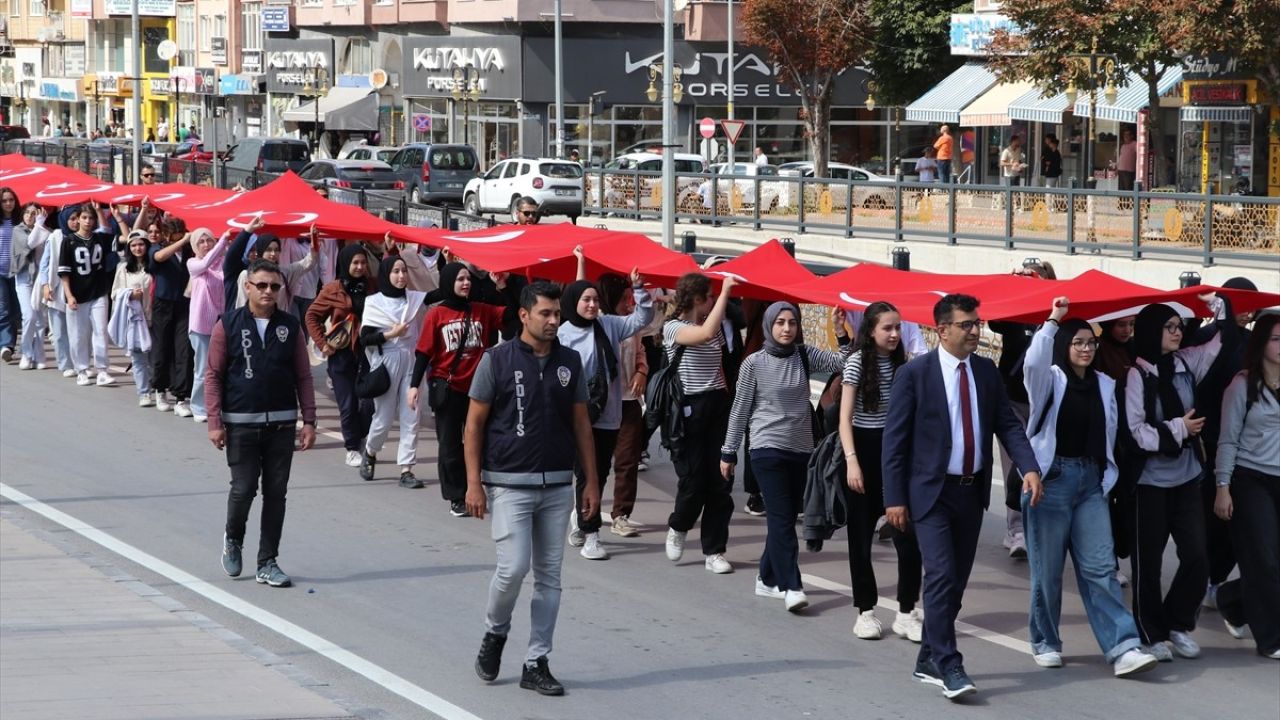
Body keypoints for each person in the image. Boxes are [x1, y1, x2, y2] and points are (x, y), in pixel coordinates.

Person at [881, 293, 1041, 700]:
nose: (975, 330)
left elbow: (1007, 425)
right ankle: (950, 664)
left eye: (977, 323)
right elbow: (894, 443)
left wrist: (1030, 467)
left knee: (956, 583)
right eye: (966, 324)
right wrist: (894, 498)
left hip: (971, 494)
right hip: (930, 495)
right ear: (942, 330)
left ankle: (928, 659)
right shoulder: (915, 375)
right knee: (939, 575)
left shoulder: (986, 373)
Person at [466, 281, 600, 697]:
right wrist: (474, 483)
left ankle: (536, 661)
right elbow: (473, 425)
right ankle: (495, 632)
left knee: (550, 578)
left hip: (558, 485)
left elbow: (581, 424)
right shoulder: (497, 361)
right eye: (545, 313)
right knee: (513, 568)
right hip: (508, 483)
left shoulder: (570, 362)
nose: (554, 321)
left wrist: (591, 481)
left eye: (557, 314)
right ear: (524, 315)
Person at [1021, 297, 1159, 677]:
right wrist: (1053, 319)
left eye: (1090, 343)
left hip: (1089, 482)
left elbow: (1111, 432)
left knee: (1102, 569)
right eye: (1078, 342)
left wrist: (1105, 476)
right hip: (1050, 482)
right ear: (1064, 346)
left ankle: (1123, 646)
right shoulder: (1049, 379)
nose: (1085, 349)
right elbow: (1033, 361)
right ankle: (1045, 641)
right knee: (1047, 571)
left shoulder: (1103, 383)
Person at [721, 302, 850, 611]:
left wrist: (840, 331)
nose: (787, 328)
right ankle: (791, 585)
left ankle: (766, 579)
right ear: (769, 325)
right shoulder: (754, 362)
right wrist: (729, 451)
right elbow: (739, 409)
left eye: (792, 322)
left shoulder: (804, 354)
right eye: (780, 322)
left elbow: (844, 361)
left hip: (801, 450)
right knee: (781, 520)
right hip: (766, 449)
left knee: (785, 518)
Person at [206, 259, 317, 588]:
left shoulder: (290, 326)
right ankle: (233, 538)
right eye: (262, 285)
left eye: (274, 286)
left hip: (282, 425)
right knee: (243, 489)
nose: (269, 292)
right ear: (248, 287)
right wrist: (215, 420)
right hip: (240, 423)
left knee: (276, 493)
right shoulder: (227, 325)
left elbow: (303, 376)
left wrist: (308, 419)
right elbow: (212, 376)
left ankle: (268, 561)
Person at [1125, 301, 1226, 661]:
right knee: (1148, 564)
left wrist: (1221, 309)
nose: (1177, 332)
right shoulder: (1137, 374)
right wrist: (1179, 428)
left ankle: (1177, 622)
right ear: (1152, 330)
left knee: (1198, 556)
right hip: (1150, 482)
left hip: (1185, 476)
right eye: (1168, 326)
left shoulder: (1184, 363)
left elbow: (1216, 344)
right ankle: (1150, 632)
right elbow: (1136, 431)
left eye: (1179, 325)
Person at [838, 302, 923, 641]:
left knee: (908, 538)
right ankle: (866, 611)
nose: (894, 334)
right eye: (887, 327)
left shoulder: (905, 366)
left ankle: (905, 611)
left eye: (898, 328)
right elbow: (844, 418)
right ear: (870, 330)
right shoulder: (857, 362)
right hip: (864, 449)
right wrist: (852, 460)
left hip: (897, 454)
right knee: (860, 538)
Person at [560, 261, 653, 560]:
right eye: (585, 300)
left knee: (598, 471)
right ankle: (591, 533)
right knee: (587, 474)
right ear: (574, 303)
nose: (591, 304)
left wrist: (639, 289)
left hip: (608, 415)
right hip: (577, 417)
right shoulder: (562, 335)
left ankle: (581, 516)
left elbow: (643, 318)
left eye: (595, 300)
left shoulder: (609, 325)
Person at [410, 261, 512, 516]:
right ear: (448, 283)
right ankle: (456, 495)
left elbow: (512, 318)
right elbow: (423, 353)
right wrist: (414, 385)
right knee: (450, 444)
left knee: (482, 439)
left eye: (468, 279)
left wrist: (503, 287)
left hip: (479, 390)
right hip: (448, 386)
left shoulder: (482, 310)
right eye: (460, 280)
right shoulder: (436, 314)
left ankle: (481, 486)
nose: (466, 283)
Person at [1213, 312, 1280, 660]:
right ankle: (1270, 638)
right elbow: (1228, 440)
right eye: (1277, 339)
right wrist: (1222, 485)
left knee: (1271, 564)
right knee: (1264, 559)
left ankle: (1231, 599)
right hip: (1250, 478)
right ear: (1262, 343)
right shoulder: (1242, 385)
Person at [663, 273, 739, 575]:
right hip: (689, 410)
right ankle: (678, 526)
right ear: (698, 299)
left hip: (718, 404)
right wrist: (725, 292)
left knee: (721, 481)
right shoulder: (674, 328)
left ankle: (715, 550)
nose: (713, 301)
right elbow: (705, 335)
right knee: (693, 481)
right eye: (709, 296)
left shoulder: (713, 323)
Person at [989, 261, 1058, 560]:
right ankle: (1015, 528)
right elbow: (994, 317)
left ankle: (1042, 524)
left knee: (1046, 463)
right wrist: (1011, 283)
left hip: (1045, 402)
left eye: (1037, 279)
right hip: (1012, 399)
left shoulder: (1057, 314)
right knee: (1014, 464)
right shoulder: (1014, 312)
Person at [359, 246, 437, 488]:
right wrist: (391, 334)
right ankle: (371, 452)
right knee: (382, 417)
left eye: (404, 271)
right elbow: (365, 339)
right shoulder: (374, 303)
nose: (401, 276)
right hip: (387, 360)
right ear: (386, 274)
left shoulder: (414, 299)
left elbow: (440, 293)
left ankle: (406, 469)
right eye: (396, 271)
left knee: (411, 415)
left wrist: (448, 261)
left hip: (412, 360)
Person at [306, 244, 378, 468]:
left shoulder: (373, 287)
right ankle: (351, 448)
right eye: (355, 263)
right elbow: (311, 316)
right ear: (346, 263)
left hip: (368, 353)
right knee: (347, 404)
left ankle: (361, 436)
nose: (359, 267)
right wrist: (323, 344)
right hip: (341, 354)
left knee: (369, 403)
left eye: (363, 263)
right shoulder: (332, 289)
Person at [601, 274, 651, 539]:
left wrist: (642, 371)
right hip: (602, 403)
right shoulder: (596, 322)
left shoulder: (632, 324)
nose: (628, 304)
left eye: (630, 299)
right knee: (596, 463)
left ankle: (621, 514)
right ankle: (585, 510)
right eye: (623, 299)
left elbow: (641, 350)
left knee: (627, 461)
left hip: (629, 401)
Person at [58, 203, 118, 387]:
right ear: (77, 220)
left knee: (100, 330)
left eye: (90, 218)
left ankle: (102, 370)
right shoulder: (68, 241)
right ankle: (82, 369)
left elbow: (107, 229)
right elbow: (64, 272)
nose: (87, 221)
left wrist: (99, 210)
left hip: (98, 292)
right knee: (78, 334)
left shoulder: (99, 238)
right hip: (77, 293)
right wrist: (69, 295)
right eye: (84, 218)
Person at [149, 215, 194, 415]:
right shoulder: (156, 248)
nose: (177, 240)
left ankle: (181, 397)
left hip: (184, 304)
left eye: (180, 236)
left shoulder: (188, 252)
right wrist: (182, 242)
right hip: (163, 304)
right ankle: (160, 390)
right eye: (173, 237)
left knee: (183, 349)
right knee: (162, 348)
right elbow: (158, 258)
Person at [186, 228, 231, 424]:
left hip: (221, 322)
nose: (206, 244)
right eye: (201, 242)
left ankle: (218, 405)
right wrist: (223, 240)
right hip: (200, 325)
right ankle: (198, 406)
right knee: (203, 368)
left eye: (209, 241)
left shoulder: (222, 264)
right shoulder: (193, 263)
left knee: (222, 367)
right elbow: (205, 262)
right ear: (195, 246)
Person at [109, 231, 155, 407]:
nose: (137, 248)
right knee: (138, 358)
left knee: (154, 357)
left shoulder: (154, 265)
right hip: (134, 320)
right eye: (133, 245)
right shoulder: (123, 268)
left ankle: (156, 387)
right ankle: (143, 392)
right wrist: (129, 294)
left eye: (141, 244)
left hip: (153, 318)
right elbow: (114, 293)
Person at [11, 202, 50, 370]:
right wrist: (39, 224)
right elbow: (29, 244)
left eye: (34, 213)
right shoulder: (17, 230)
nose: (30, 216)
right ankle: (26, 353)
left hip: (40, 279)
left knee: (40, 319)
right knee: (29, 316)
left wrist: (41, 225)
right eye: (27, 213)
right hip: (24, 278)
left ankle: (39, 352)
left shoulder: (45, 231)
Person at [0, 188, 25, 362]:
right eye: (4, 200)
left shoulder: (20, 222)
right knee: (3, 310)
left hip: (17, 272)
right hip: (0, 272)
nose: (8, 203)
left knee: (16, 311)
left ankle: (8, 343)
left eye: (11, 200)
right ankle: (6, 345)